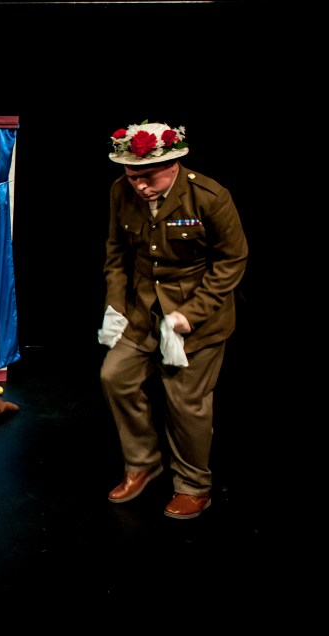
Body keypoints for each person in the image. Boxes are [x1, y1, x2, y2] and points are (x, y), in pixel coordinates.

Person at [98, 120, 248, 519]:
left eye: (148, 177)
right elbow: (117, 252)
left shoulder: (209, 196)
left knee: (186, 402)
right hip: (143, 309)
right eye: (132, 177)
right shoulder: (121, 191)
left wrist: (190, 314)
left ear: (173, 164)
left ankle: (194, 485)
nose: (139, 186)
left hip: (196, 314)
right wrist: (115, 306)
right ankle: (142, 463)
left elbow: (232, 261)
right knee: (116, 376)